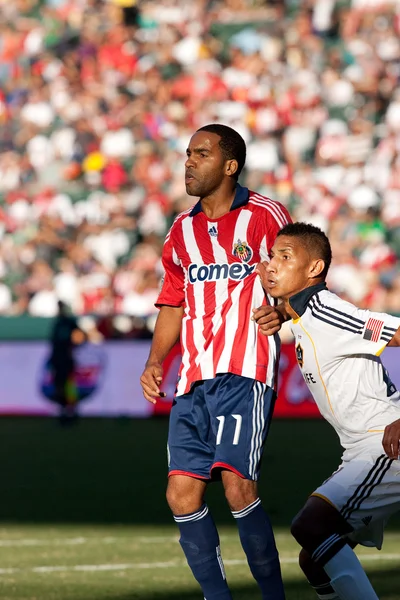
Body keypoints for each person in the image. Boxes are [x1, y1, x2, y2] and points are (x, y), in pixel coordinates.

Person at [140, 123, 291, 600]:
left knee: (236, 488)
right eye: (187, 153)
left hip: (245, 371)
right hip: (194, 378)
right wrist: (154, 360)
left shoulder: (265, 215)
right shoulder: (181, 231)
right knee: (181, 495)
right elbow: (173, 303)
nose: (188, 161)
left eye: (200, 154)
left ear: (230, 165)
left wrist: (282, 309)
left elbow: (303, 275)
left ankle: (272, 596)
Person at [253, 222, 400, 600]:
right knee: (314, 560)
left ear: (315, 269)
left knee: (312, 525)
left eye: (285, 257)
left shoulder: (325, 308)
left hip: (385, 443)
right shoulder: (305, 313)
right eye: (272, 256)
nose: (272, 265)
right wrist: (285, 313)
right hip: (360, 448)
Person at [48, 300, 85, 423]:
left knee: (69, 385)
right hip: (58, 359)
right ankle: (63, 410)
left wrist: (74, 345)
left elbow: (80, 336)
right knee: (59, 385)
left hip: (67, 359)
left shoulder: (69, 322)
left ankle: (71, 411)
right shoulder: (57, 323)